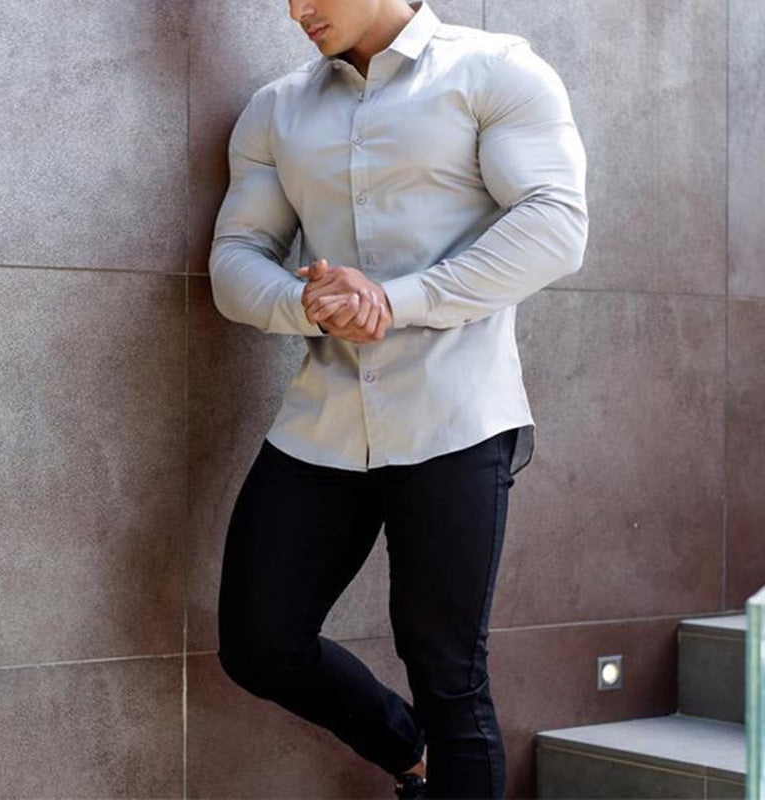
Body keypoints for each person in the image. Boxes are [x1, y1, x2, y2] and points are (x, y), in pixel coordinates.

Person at [210, 0, 588, 796]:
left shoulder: (496, 69)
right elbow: (237, 255)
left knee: (447, 671)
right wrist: (306, 302)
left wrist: (396, 298)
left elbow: (556, 224)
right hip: (325, 420)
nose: (297, 9)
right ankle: (412, 754)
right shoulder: (276, 108)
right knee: (259, 642)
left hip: (457, 416)